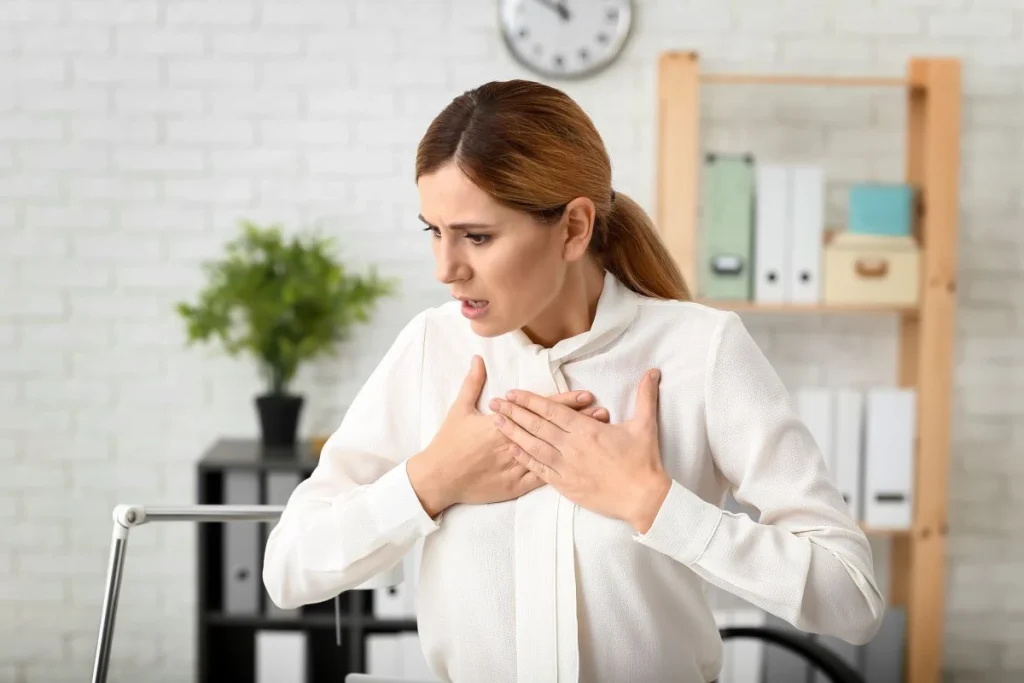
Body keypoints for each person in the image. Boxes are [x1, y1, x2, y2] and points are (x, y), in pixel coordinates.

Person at [263, 79, 885, 683]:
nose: (446, 269)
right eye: (434, 231)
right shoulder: (432, 349)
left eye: (477, 237)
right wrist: (431, 481)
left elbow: (851, 597)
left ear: (573, 228)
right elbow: (289, 568)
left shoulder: (701, 350)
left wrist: (653, 504)